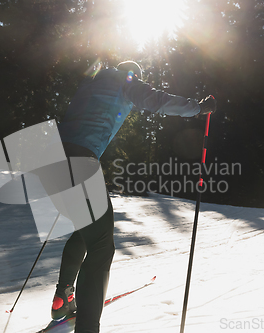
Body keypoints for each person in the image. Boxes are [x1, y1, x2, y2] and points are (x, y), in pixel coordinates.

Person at [51, 60, 216, 333]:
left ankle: (63, 300)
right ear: (134, 75)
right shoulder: (124, 81)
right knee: (102, 246)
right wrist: (198, 108)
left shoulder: (91, 83)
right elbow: (156, 100)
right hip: (79, 161)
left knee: (86, 231)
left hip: (55, 159)